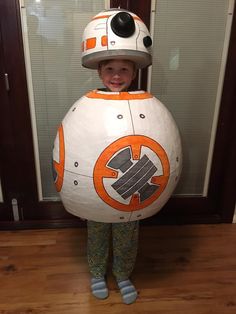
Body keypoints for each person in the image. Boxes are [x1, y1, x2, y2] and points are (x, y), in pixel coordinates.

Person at [87, 58, 139, 305]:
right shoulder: (90, 105)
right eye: (109, 69)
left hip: (130, 179)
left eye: (123, 70)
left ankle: (123, 274)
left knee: (126, 230)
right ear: (99, 72)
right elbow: (81, 141)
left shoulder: (141, 104)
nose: (116, 76)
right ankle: (97, 272)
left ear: (133, 73)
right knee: (96, 229)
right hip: (98, 179)